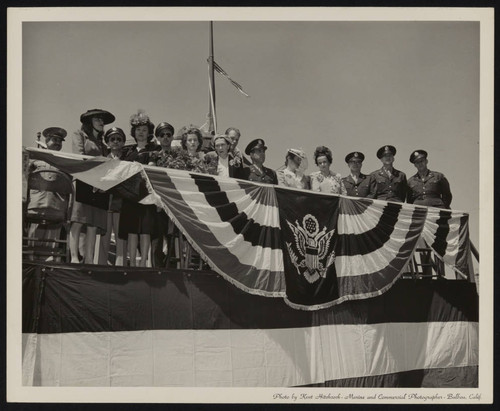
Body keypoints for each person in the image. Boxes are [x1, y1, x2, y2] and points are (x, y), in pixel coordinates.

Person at [70, 108, 115, 264]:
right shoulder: (79, 135)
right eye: (98, 119)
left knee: (93, 224)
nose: (101, 122)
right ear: (89, 122)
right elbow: (79, 157)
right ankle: (74, 257)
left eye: (102, 120)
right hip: (83, 181)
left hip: (97, 185)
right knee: (78, 220)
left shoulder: (103, 145)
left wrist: (102, 182)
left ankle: (89, 260)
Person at [119, 110, 160, 267]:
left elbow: (151, 171)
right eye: (138, 130)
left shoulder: (154, 151)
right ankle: (132, 263)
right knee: (131, 229)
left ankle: (143, 261)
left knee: (145, 230)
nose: (141, 133)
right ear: (133, 132)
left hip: (146, 195)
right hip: (129, 196)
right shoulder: (127, 152)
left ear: (149, 132)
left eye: (144, 130)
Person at [26, 127, 68, 259]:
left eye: (60, 141)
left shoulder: (65, 162)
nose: (57, 143)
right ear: (46, 140)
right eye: (54, 140)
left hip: (56, 209)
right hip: (36, 208)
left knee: (52, 250)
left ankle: (48, 271)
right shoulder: (36, 159)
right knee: (32, 247)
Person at [98, 127, 127, 266]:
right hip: (105, 203)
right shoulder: (103, 160)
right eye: (112, 139)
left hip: (121, 204)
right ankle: (102, 266)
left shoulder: (128, 161)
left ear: (123, 143)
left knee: (121, 239)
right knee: (104, 238)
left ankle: (121, 267)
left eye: (119, 139)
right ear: (107, 143)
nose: (115, 142)